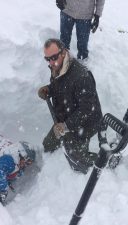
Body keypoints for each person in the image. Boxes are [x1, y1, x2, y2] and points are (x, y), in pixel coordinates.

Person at [38, 38, 103, 174]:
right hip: (66, 117)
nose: (51, 62)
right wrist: (49, 89)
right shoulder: (57, 66)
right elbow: (60, 86)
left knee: (77, 161)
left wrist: (66, 126)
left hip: (86, 122)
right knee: (48, 145)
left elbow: (87, 109)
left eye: (54, 57)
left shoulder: (81, 76)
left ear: (63, 52)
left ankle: (108, 160)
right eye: (47, 59)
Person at [0, 135, 37, 205]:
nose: (27, 165)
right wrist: (2, 190)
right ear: (22, 155)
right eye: (27, 161)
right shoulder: (9, 160)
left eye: (29, 163)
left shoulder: (19, 166)